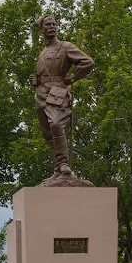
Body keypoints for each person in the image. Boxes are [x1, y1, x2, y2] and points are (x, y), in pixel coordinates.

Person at [31, 14, 94, 183]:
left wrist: (72, 78)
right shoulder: (43, 52)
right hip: (41, 95)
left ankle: (65, 165)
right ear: (42, 30)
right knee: (48, 134)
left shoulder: (65, 46)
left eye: (54, 24)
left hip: (57, 93)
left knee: (57, 124)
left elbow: (87, 62)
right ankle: (58, 169)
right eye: (48, 25)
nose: (51, 27)